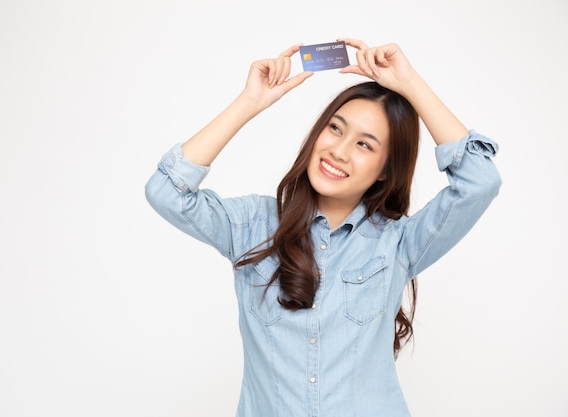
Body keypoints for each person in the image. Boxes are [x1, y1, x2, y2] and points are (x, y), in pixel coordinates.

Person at [145, 39, 501, 417]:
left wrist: (410, 84)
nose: (339, 150)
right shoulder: (252, 226)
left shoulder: (399, 244)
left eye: (365, 145)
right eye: (335, 128)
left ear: (385, 171)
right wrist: (249, 103)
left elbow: (479, 182)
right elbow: (166, 191)